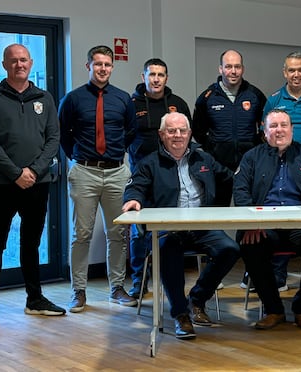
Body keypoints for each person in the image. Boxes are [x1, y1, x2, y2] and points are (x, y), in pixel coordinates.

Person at [122, 112, 239, 340]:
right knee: (168, 251)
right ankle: (180, 314)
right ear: (161, 134)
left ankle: (197, 299)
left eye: (182, 131)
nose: (178, 135)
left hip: (201, 226)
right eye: (172, 131)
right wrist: (133, 199)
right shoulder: (149, 163)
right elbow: (136, 186)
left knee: (230, 249)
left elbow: (229, 178)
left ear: (190, 133)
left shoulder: (203, 159)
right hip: (168, 230)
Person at [0, 44, 64, 327]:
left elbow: (53, 139)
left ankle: (34, 299)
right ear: (4, 64)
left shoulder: (44, 98)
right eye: (13, 61)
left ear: (31, 62)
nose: (19, 65)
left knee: (32, 244)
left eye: (23, 60)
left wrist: (34, 171)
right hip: (3, 184)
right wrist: (16, 173)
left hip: (38, 184)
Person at [234, 109, 301, 331]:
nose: (279, 130)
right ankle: (273, 309)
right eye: (273, 126)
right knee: (251, 245)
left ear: (292, 129)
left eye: (284, 125)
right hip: (264, 225)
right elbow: (240, 193)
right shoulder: (252, 157)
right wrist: (252, 225)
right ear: (264, 130)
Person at [59, 45, 136, 312]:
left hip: (116, 172)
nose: (103, 68)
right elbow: (63, 134)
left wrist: (117, 154)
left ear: (112, 67)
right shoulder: (73, 99)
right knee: (81, 234)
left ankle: (117, 287)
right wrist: (78, 157)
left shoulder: (123, 99)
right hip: (85, 172)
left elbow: (131, 133)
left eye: (107, 64)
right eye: (98, 64)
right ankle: (78, 291)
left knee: (118, 233)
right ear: (88, 66)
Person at [259, 51, 301, 294]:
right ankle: (277, 276)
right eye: (292, 70)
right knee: (277, 216)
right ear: (284, 72)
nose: (296, 74)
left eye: (300, 69)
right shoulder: (274, 99)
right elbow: (264, 130)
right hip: (279, 166)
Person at [127, 58, 192, 301]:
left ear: (167, 77)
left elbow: (186, 137)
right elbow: (123, 135)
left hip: (171, 174)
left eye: (161, 75)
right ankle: (138, 283)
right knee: (138, 233)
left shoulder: (178, 104)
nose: (156, 79)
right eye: (152, 74)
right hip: (142, 175)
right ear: (143, 76)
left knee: (170, 230)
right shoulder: (131, 103)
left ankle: (172, 278)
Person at [193, 49, 266, 175]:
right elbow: (197, 131)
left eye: (237, 67)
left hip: (249, 165)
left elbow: (266, 128)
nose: (233, 71)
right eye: (228, 67)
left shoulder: (255, 95)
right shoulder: (207, 98)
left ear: (242, 69)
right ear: (220, 69)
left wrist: (255, 146)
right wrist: (213, 149)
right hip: (218, 167)